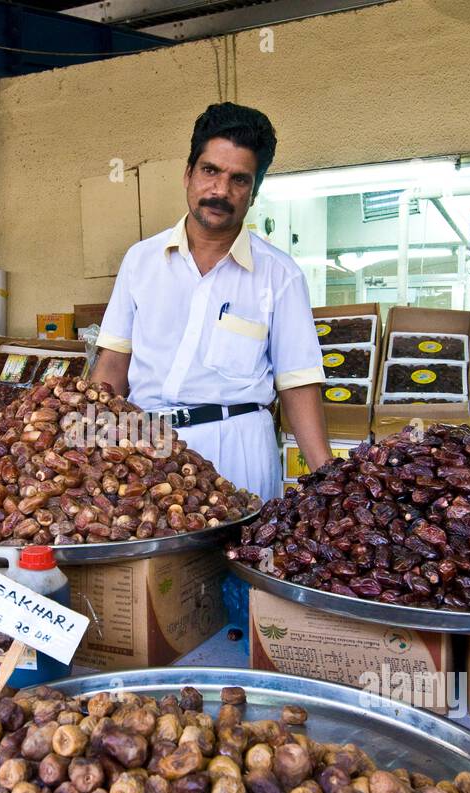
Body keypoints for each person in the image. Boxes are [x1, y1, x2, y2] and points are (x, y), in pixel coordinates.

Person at [90, 103, 330, 501]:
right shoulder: (141, 261)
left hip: (238, 449)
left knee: (238, 557)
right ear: (188, 174)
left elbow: (298, 384)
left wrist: (330, 483)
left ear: (254, 193)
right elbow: (113, 365)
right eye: (210, 171)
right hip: (146, 449)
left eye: (239, 179)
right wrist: (84, 448)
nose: (220, 190)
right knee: (158, 559)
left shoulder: (279, 275)